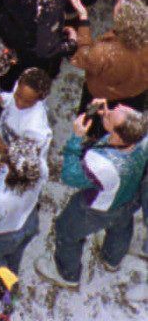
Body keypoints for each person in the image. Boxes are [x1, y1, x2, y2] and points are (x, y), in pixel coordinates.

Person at [36, 99, 148, 286]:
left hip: (97, 209)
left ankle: (67, 275)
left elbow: (69, 176)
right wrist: (109, 117)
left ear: (118, 136)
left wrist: (75, 139)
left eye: (113, 115)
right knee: (121, 226)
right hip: (128, 197)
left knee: (66, 232)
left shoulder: (101, 163)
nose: (115, 107)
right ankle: (112, 259)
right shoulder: (142, 138)